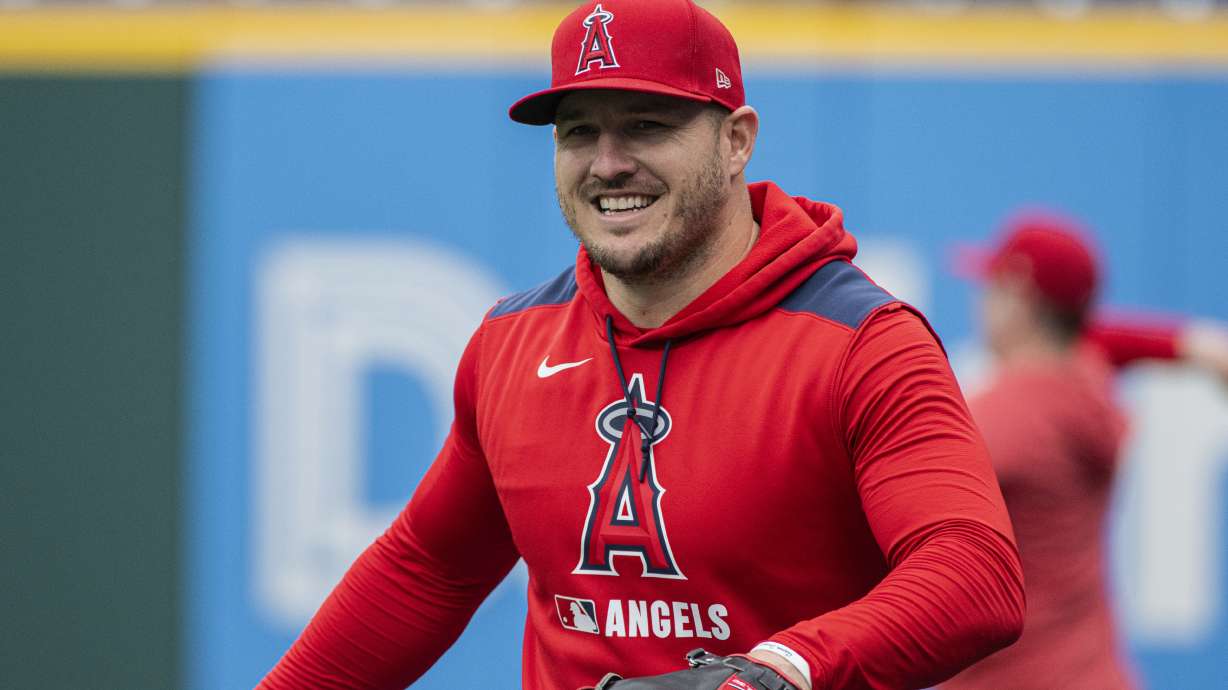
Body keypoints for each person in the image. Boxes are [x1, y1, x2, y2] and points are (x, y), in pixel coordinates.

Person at [258, 2, 1026, 688]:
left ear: (736, 141)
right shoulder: (509, 343)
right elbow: (427, 571)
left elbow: (975, 575)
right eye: (579, 131)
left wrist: (775, 674)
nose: (608, 162)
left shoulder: (862, 344)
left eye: (647, 125)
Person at [941, 210, 1228, 690]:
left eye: (992, 286)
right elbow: (1096, 340)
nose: (981, 300)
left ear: (1019, 299)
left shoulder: (1007, 416)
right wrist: (1188, 344)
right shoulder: (1084, 376)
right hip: (1091, 673)